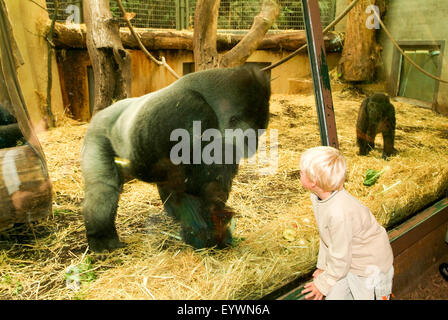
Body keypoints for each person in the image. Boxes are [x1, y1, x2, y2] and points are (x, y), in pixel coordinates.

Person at [299, 146, 394, 300]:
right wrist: (323, 267)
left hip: (369, 267)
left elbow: (341, 258)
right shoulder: (317, 198)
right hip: (346, 263)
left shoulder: (339, 212)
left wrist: (322, 284)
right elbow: (327, 237)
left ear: (313, 182)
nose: (299, 173)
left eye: (301, 172)